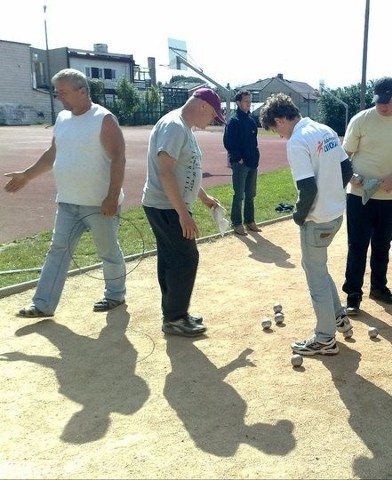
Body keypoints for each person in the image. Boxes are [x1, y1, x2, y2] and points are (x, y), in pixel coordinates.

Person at [4, 68, 127, 317]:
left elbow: (118, 158)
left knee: (107, 251)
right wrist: (27, 175)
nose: (59, 97)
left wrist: (112, 197)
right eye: (57, 92)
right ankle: (42, 304)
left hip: (99, 204)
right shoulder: (62, 118)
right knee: (57, 250)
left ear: (82, 91)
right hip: (68, 202)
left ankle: (115, 294)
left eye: (64, 92)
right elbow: (52, 154)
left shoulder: (104, 119)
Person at [260, 93, 353, 356]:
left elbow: (307, 188)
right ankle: (338, 317)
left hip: (317, 220)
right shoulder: (325, 129)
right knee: (319, 269)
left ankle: (325, 338)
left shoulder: (297, 140)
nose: (279, 136)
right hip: (336, 214)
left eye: (276, 129)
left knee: (315, 277)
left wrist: (299, 217)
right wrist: (334, 195)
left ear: (280, 119)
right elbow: (347, 169)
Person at [142, 87, 225, 337]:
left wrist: (203, 198)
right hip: (166, 206)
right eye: (213, 115)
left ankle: (174, 312)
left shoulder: (183, 128)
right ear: (202, 106)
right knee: (185, 258)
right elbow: (166, 172)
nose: (211, 121)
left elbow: (184, 170)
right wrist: (183, 214)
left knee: (172, 258)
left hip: (170, 205)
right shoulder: (174, 126)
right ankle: (175, 318)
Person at [341, 76, 392, 315]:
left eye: (387, 101)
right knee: (357, 245)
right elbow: (343, 156)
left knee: (382, 245)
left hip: (389, 196)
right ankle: (353, 294)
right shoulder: (362, 119)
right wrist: (351, 176)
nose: (383, 105)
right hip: (358, 195)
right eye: (379, 101)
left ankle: (379, 287)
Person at [223, 90, 261, 236]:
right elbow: (228, 142)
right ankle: (237, 223)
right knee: (239, 195)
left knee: (251, 194)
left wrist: (255, 157)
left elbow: (254, 141)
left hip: (252, 163)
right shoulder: (233, 121)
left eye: (250, 101)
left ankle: (250, 221)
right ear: (238, 103)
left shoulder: (251, 121)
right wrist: (238, 159)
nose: (249, 104)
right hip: (240, 164)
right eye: (246, 101)